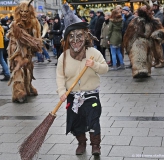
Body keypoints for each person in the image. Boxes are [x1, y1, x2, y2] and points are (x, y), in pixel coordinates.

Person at [58, 3, 108, 156]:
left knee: (93, 121)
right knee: (76, 123)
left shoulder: (93, 52)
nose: (75, 40)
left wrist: (94, 65)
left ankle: (95, 146)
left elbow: (105, 69)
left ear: (85, 36)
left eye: (79, 36)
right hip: (72, 96)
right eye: (72, 37)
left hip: (91, 95)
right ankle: (81, 143)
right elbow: (60, 75)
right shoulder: (64, 56)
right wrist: (62, 91)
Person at [152, 1, 164, 68]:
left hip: (159, 32)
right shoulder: (154, 13)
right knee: (155, 48)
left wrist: (152, 19)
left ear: (157, 6)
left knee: (160, 48)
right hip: (155, 32)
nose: (154, 7)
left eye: (155, 6)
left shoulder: (160, 13)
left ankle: (162, 61)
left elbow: (159, 22)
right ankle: (157, 61)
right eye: (153, 6)